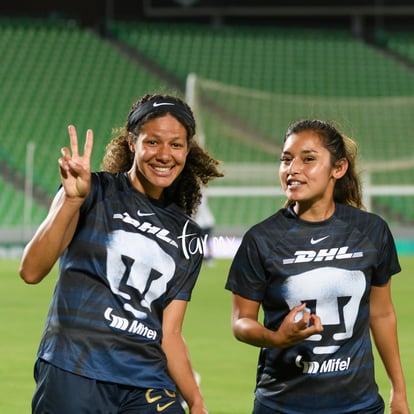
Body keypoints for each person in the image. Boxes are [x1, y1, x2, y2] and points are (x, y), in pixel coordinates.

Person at [19, 93, 223, 414]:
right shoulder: (92, 191)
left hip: (147, 379)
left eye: (176, 144)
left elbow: (169, 334)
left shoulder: (188, 237)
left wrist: (196, 401)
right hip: (75, 368)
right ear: (132, 143)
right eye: (153, 142)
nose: (165, 155)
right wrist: (72, 200)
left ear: (187, 150)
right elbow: (31, 271)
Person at [225, 119, 410, 414]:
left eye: (308, 159)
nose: (292, 169)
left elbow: (382, 312)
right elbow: (240, 322)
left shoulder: (372, 231)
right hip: (282, 405)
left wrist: (398, 390)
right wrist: (276, 338)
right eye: (286, 160)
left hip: (359, 406)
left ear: (338, 169)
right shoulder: (261, 239)